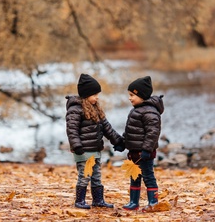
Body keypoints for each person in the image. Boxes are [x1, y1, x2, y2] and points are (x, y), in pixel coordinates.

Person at [66, 73, 124, 209]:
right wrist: (76, 145)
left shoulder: (96, 109)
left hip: (96, 150)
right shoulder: (75, 109)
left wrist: (118, 141)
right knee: (84, 175)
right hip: (83, 150)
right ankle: (79, 200)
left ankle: (98, 200)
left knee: (96, 176)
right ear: (86, 94)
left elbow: (107, 127)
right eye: (95, 95)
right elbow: (71, 130)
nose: (97, 97)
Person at [114, 76, 164, 212]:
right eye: (129, 95)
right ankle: (133, 202)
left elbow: (153, 133)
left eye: (132, 95)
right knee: (134, 177)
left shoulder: (150, 112)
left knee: (148, 176)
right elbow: (130, 132)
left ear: (142, 95)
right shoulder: (135, 110)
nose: (130, 98)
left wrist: (147, 149)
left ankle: (153, 202)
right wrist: (122, 144)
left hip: (144, 153)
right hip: (133, 152)